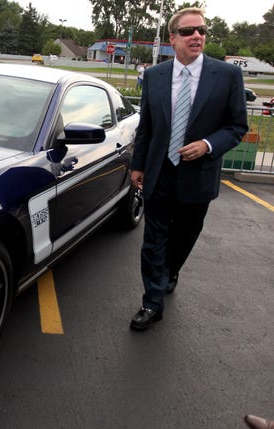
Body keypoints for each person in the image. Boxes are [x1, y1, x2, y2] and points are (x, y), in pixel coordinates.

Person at [129, 7, 248, 331]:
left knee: (184, 236)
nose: (197, 36)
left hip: (198, 176)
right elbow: (147, 128)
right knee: (153, 239)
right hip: (160, 172)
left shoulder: (226, 76)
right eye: (188, 31)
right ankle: (152, 302)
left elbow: (237, 126)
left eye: (202, 31)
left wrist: (208, 145)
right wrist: (138, 165)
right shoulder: (154, 76)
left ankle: (172, 269)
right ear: (172, 38)